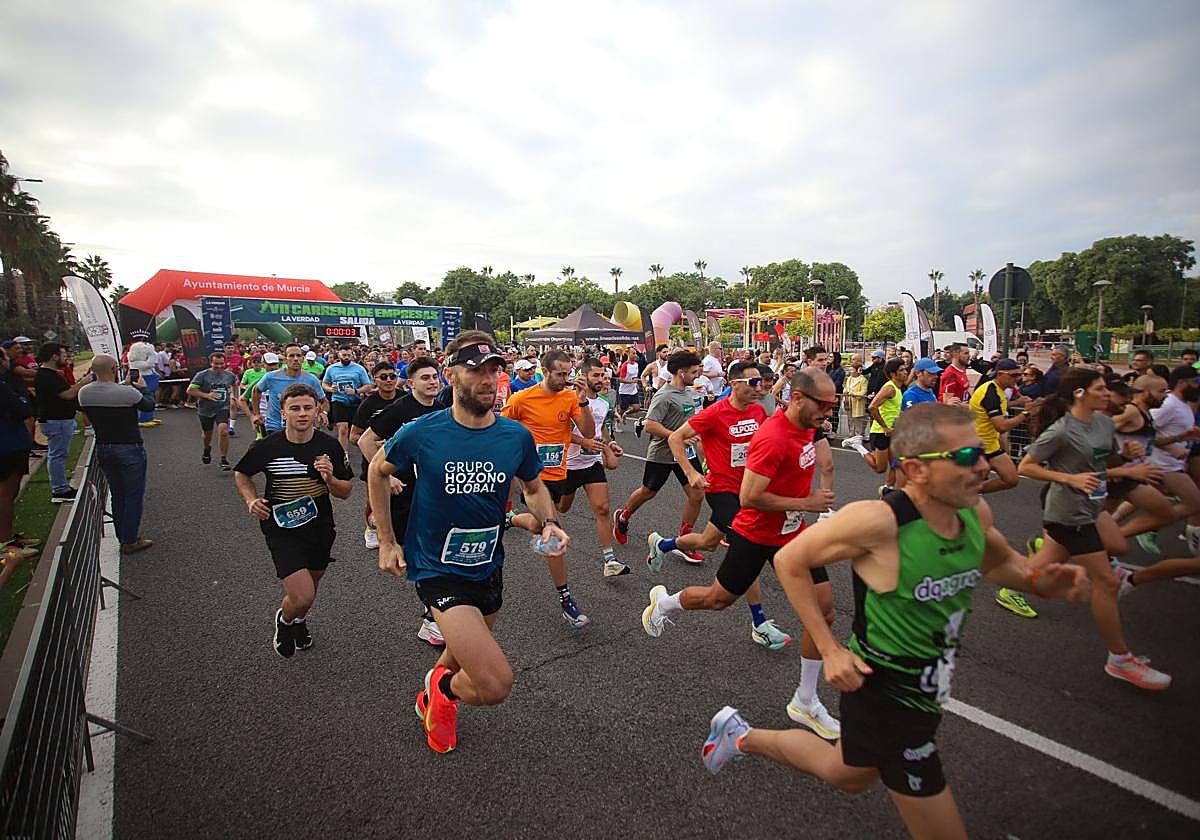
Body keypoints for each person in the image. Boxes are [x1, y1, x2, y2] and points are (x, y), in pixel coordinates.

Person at [701, 402, 1088, 840]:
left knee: (847, 773)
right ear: (917, 471)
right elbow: (791, 560)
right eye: (965, 457)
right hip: (885, 690)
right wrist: (830, 649)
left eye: (982, 452)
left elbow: (1002, 565)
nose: (984, 467)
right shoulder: (879, 522)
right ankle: (745, 734)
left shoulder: (973, 514)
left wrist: (1041, 580)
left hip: (930, 685)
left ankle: (740, 736)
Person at [368, 331, 569, 754]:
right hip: (436, 568)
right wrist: (387, 541)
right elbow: (377, 470)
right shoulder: (422, 432)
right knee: (494, 683)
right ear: (451, 373)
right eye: (476, 369)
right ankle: (446, 694)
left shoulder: (514, 436)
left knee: (459, 657)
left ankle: (436, 688)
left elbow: (533, 486)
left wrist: (548, 521)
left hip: (488, 562)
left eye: (495, 369)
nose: (487, 379)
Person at [641, 369, 842, 738]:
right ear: (798, 398)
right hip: (754, 527)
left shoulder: (787, 423)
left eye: (833, 405)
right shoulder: (773, 435)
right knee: (717, 599)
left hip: (792, 532)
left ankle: (806, 699)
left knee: (825, 609)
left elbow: (818, 463)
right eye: (824, 405)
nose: (829, 412)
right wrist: (807, 501)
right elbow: (751, 497)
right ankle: (665, 603)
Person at [1017, 367, 1170, 689]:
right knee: (1108, 583)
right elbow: (1026, 466)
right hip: (1067, 511)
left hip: (1091, 505)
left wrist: (1127, 457)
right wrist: (1069, 478)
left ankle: (1011, 581)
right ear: (1080, 393)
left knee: (1113, 547)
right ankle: (1120, 658)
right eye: (1100, 389)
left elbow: (1103, 462)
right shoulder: (1061, 430)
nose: (1108, 393)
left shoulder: (1102, 422)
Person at [644, 362, 791, 650]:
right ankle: (759, 623)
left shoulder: (758, 411)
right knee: (748, 547)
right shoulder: (714, 412)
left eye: (762, 382)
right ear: (735, 384)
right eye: (753, 382)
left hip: (748, 490)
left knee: (708, 542)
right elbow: (676, 438)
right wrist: (691, 472)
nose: (760, 387)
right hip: (722, 491)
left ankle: (662, 545)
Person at [234, 384, 352, 658]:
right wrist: (251, 500)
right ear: (283, 412)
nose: (302, 414)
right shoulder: (267, 447)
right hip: (281, 527)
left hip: (319, 527)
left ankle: (299, 621)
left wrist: (330, 478)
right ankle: (285, 621)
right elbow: (242, 474)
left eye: (308, 408)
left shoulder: (329, 446)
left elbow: (345, 493)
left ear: (317, 410)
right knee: (303, 596)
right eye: (295, 409)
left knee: (311, 587)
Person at [501, 349, 595, 628]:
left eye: (568, 374)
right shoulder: (522, 399)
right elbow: (501, 428)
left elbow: (588, 432)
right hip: (532, 477)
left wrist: (584, 402)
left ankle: (511, 519)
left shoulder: (570, 397)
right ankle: (566, 599)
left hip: (559, 474)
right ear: (544, 370)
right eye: (559, 374)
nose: (565, 380)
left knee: (539, 526)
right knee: (555, 533)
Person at [356, 356, 446, 645]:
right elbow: (365, 441)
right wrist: (386, 476)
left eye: (435, 377)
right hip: (404, 492)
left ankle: (432, 616)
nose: (432, 382)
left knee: (432, 551)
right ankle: (431, 617)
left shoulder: (444, 409)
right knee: (419, 553)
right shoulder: (399, 410)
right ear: (411, 383)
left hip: (433, 492)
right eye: (425, 378)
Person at [612, 352, 706, 559]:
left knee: (697, 494)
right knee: (648, 492)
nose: (697, 374)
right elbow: (650, 425)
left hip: (685, 453)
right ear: (681, 372)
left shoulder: (687, 391)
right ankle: (623, 516)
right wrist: (677, 436)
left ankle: (683, 540)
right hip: (662, 453)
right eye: (693, 371)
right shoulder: (664, 395)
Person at [556, 357, 628, 577]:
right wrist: (583, 442)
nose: (601, 379)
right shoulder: (568, 399)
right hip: (568, 463)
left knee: (602, 509)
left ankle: (609, 560)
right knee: (562, 508)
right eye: (595, 375)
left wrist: (611, 443)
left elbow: (602, 428)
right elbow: (560, 432)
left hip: (591, 463)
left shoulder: (604, 402)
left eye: (603, 375)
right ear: (584, 375)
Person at [77, 355, 155, 555]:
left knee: (117, 493)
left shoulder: (84, 393)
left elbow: (107, 393)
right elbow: (148, 405)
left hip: (104, 446)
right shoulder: (127, 393)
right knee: (133, 495)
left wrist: (124, 385)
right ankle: (129, 540)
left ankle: (123, 535)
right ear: (114, 368)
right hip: (129, 446)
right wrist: (142, 387)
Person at [34, 342, 90, 502]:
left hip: (59, 420)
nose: (66, 358)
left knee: (59, 454)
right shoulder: (47, 375)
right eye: (64, 355)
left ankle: (61, 487)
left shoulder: (51, 374)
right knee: (57, 455)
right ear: (54, 356)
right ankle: (59, 490)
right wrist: (84, 382)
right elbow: (67, 394)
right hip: (56, 421)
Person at [0, 351, 38, 568]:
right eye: (5, 357)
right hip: (7, 445)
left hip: (13, 444)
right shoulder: (3, 386)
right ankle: (5, 542)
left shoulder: (6, 382)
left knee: (11, 492)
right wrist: (22, 400)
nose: (9, 361)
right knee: (6, 492)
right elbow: (22, 408)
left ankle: (9, 536)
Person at [251, 343, 327, 434]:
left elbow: (324, 401)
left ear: (303, 359)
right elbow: (256, 391)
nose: (295, 359)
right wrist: (256, 414)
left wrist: (323, 412)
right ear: (285, 360)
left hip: (301, 429)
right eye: (291, 356)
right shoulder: (271, 377)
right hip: (275, 426)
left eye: (298, 355)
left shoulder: (311, 379)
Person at [187, 351, 240, 470]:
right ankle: (207, 448)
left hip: (222, 407)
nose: (219, 366)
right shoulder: (202, 375)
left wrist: (234, 397)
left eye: (222, 363)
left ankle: (224, 459)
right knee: (207, 435)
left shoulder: (229, 375)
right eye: (216, 364)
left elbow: (235, 385)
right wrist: (207, 395)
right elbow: (190, 390)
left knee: (224, 431)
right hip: (205, 408)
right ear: (211, 363)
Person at [321, 344, 373, 465]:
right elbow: (324, 384)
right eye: (344, 355)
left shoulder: (359, 369)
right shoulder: (331, 368)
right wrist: (330, 389)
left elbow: (368, 386)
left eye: (349, 355)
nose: (346, 357)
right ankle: (343, 456)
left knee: (356, 432)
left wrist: (356, 391)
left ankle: (367, 454)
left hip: (355, 402)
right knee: (343, 429)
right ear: (338, 355)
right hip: (338, 400)